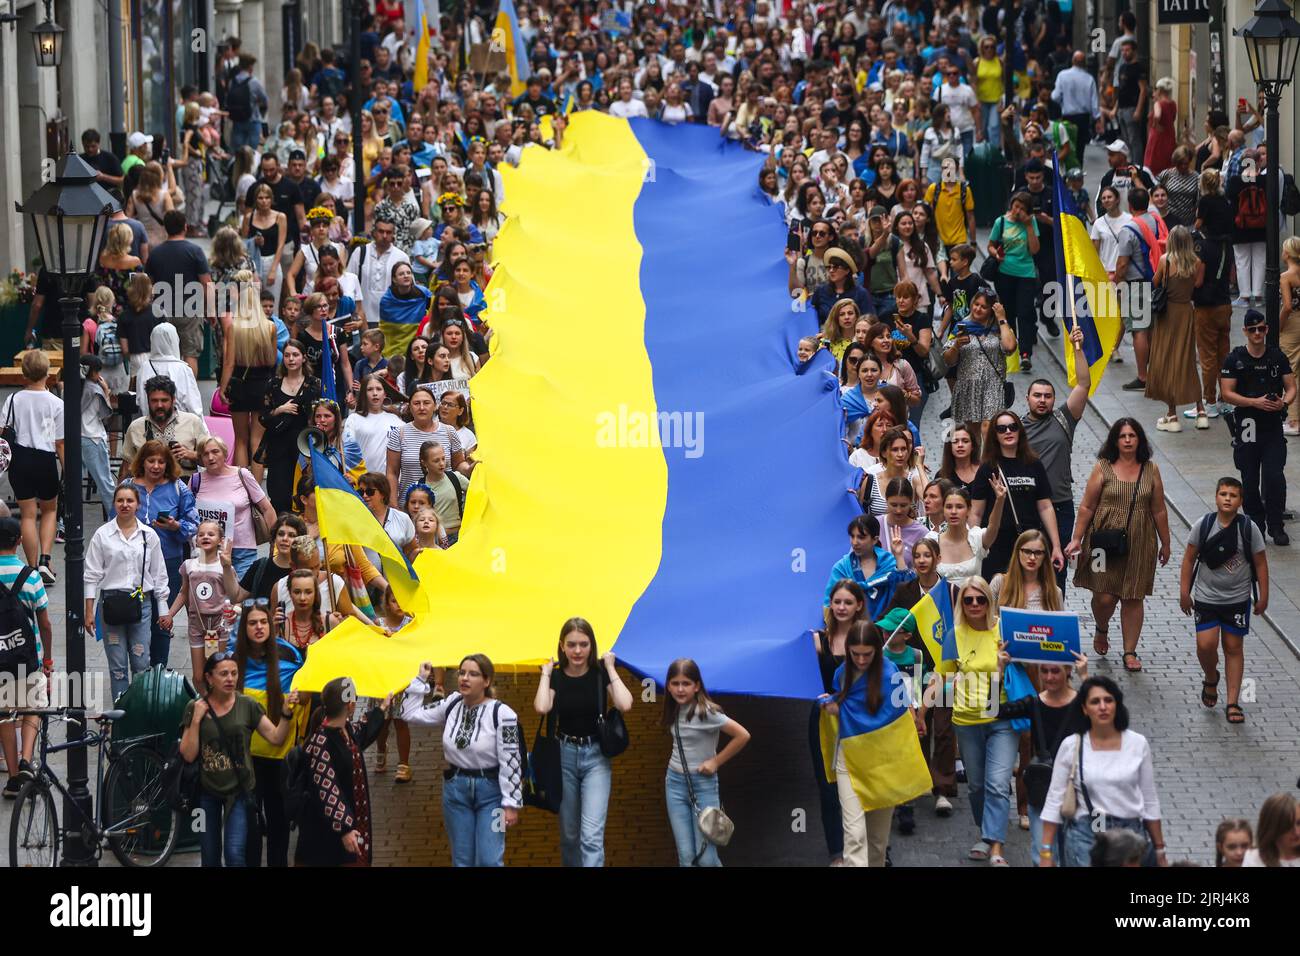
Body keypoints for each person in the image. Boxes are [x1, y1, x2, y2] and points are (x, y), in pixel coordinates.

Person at [1066, 419, 1171, 672]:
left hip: (1140, 540)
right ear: (1115, 440)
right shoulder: (1103, 467)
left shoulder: (1151, 469)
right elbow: (1087, 506)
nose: (1127, 440)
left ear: (1139, 440)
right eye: (1122, 436)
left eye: (1132, 436)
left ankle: (1129, 651)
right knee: (1103, 596)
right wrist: (1076, 538)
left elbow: (1158, 509)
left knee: (1133, 596)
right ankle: (1102, 628)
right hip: (1103, 541)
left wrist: (1165, 543)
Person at [818, 620, 925, 867]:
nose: (862, 660)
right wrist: (832, 705)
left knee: (877, 842)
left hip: (882, 764)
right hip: (850, 760)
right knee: (854, 836)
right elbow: (845, 704)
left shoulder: (890, 675)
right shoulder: (842, 673)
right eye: (855, 654)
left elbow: (899, 720)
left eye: (868, 654)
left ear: (877, 650)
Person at [400, 655, 524, 867]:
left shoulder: (503, 714)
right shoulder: (451, 703)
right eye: (462, 673)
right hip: (456, 793)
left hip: (492, 795)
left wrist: (511, 803)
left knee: (490, 859)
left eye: (473, 674)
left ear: (486, 681)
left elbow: (511, 760)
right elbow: (409, 713)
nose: (465, 678)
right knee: (462, 860)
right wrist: (420, 679)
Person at [179, 652, 300, 867]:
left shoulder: (247, 705)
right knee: (209, 857)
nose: (230, 679)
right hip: (206, 794)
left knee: (235, 855)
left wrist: (286, 714)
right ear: (209, 678)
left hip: (240, 791)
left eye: (234, 673)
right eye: (223, 674)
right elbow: (188, 754)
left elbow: (275, 737)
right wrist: (196, 720)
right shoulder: (195, 707)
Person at [533, 617, 634, 867]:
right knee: (569, 836)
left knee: (591, 837)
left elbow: (625, 704)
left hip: (596, 758)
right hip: (564, 756)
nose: (578, 651)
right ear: (562, 646)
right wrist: (545, 675)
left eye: (584, 644)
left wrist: (611, 668)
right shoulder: (556, 677)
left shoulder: (600, 675)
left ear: (592, 646)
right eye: (572, 645)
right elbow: (541, 706)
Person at [1039, 676, 1167, 868]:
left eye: (1108, 700)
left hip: (1130, 836)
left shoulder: (1137, 744)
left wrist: (1159, 849)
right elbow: (1054, 799)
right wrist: (1046, 852)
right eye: (1095, 701)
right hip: (1087, 833)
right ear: (1084, 708)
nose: (1103, 706)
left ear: (1117, 704)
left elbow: (1149, 799)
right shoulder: (1072, 745)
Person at [937, 575, 1015, 866]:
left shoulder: (1002, 631)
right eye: (968, 599)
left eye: (980, 599)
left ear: (989, 601)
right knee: (977, 786)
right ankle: (985, 834)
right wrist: (923, 710)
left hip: (1000, 715)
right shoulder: (953, 635)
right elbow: (942, 677)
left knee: (997, 783)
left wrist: (1002, 666)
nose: (974, 604)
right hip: (967, 720)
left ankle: (996, 847)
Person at [1180, 477, 1269, 725]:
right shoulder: (1204, 525)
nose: (1228, 498)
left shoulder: (1249, 529)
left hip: (1238, 600)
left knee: (1233, 647)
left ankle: (1232, 702)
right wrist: (1184, 592)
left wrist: (1263, 595)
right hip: (1207, 598)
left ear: (1241, 501)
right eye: (1223, 494)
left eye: (1233, 495)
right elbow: (1189, 559)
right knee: (1205, 645)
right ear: (1216, 497)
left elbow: (1261, 563)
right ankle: (1211, 677)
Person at [661, 657, 751, 867]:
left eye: (686, 683)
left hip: (703, 785)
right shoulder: (673, 709)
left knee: (706, 858)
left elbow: (743, 735)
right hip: (674, 784)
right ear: (668, 685)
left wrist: (715, 762)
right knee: (686, 856)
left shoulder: (707, 713)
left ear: (697, 685)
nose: (680, 689)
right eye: (675, 683)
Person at [84, 484, 169, 701]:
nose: (125, 505)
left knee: (141, 661)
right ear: (114, 503)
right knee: (117, 664)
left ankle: (138, 714)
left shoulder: (148, 535)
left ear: (138, 505)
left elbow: (159, 574)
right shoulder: (102, 535)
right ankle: (120, 715)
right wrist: (89, 611)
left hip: (142, 603)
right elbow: (91, 574)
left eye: (129, 500)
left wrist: (163, 610)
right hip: (111, 604)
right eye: (120, 500)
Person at [296, 676, 391, 866]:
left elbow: (363, 730)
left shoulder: (346, 731)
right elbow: (327, 788)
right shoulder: (321, 742)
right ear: (350, 705)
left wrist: (381, 709)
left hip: (349, 830)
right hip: (326, 837)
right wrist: (345, 828)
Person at [1220, 309, 1296, 546]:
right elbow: (1227, 393)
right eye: (1252, 329)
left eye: (1261, 329)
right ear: (1245, 331)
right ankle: (1255, 525)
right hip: (1248, 425)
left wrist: (1283, 402)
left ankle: (1276, 525)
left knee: (1275, 476)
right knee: (1250, 479)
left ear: (1266, 330)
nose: (1257, 333)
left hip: (1272, 425)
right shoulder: (1235, 359)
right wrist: (1254, 402)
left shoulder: (1276, 357)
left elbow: (1291, 387)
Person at [1022, 327, 1090, 591]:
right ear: (1028, 398)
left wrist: (1078, 348)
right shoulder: (1013, 428)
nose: (1042, 400)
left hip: (1060, 505)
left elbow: (1083, 384)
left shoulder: (1064, 419)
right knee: (1026, 569)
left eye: (1047, 396)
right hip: (1027, 504)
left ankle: (1056, 620)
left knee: (1056, 569)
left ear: (1054, 400)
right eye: (1037, 396)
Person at [125, 440, 199, 665]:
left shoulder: (178, 488)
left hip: (168, 561)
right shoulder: (128, 486)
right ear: (142, 462)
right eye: (151, 461)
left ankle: (159, 670)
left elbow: (193, 523)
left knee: (162, 617)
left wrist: (176, 526)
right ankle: (139, 669)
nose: (156, 466)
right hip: (132, 563)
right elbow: (113, 520)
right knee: (135, 617)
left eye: (161, 461)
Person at [970, 410, 1064, 581]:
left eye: (1013, 427)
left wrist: (1056, 546)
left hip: (1029, 543)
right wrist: (972, 546)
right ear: (994, 435)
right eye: (1001, 429)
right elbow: (976, 512)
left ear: (1020, 431)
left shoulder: (1034, 464)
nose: (1008, 432)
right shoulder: (988, 468)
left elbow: (1045, 506)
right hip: (996, 544)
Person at [0, 510, 53, 797]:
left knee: (4, 716)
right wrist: (47, 658)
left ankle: (11, 777)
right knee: (33, 705)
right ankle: (26, 758)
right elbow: (44, 622)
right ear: (19, 541)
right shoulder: (30, 577)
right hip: (26, 655)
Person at [0, 350, 64, 584]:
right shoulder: (56, 403)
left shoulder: (13, 399)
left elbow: (2, 432)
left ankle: (31, 566)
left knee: (27, 514)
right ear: (48, 373)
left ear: (24, 373)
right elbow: (60, 442)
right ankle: (46, 562)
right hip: (45, 459)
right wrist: (67, 470)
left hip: (20, 459)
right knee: (49, 510)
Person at [218, 271, 279, 475]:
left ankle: (241, 486)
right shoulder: (270, 327)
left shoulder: (234, 327)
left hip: (240, 386)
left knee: (241, 439)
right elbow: (272, 361)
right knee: (258, 440)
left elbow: (229, 362)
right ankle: (257, 492)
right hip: (263, 385)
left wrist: (223, 388)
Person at [191, 435, 277, 578]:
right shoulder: (195, 480)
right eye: (205, 454)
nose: (211, 457)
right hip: (209, 551)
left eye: (215, 452)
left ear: (224, 453)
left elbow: (267, 508)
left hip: (242, 550)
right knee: (212, 597)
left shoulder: (241, 475)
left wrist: (274, 544)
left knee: (242, 596)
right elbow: (189, 514)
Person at [1147, 226, 1206, 431]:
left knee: (1167, 361)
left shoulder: (1166, 260)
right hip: (1186, 312)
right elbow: (1198, 285)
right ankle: (1201, 410)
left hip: (1168, 313)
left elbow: (1155, 282)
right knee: (1187, 360)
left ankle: (1172, 415)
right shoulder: (1196, 262)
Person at [144, 210, 212, 375]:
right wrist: (211, 311)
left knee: (164, 355)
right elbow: (207, 283)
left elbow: (148, 285)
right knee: (190, 354)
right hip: (190, 310)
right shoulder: (195, 251)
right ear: (185, 227)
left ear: (166, 228)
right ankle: (188, 393)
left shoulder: (155, 254)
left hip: (162, 311)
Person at [260, 340, 321, 514]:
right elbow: (263, 417)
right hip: (278, 445)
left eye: (295, 355)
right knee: (279, 495)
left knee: (304, 491)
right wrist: (279, 410)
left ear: (303, 358)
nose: (291, 359)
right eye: (287, 355)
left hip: (304, 446)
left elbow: (322, 413)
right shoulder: (273, 384)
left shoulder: (314, 383)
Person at [945, 292, 1018, 431]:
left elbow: (1010, 347)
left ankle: (987, 453)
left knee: (988, 428)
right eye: (976, 304)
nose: (978, 309)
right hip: (968, 386)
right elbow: (948, 360)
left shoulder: (999, 327)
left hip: (993, 386)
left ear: (992, 309)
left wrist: (1002, 318)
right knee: (973, 433)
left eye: (983, 307)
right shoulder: (962, 326)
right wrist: (956, 346)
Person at [386, 385, 465, 504]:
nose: (422, 407)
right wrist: (393, 505)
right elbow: (392, 472)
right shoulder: (398, 434)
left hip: (446, 505)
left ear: (435, 406)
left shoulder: (449, 432)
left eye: (426, 403)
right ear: (410, 407)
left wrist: (471, 468)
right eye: (416, 403)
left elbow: (458, 465)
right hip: (411, 507)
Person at [134, 322, 203, 417]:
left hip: (150, 423)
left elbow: (140, 400)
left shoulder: (144, 368)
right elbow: (193, 405)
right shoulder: (182, 369)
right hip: (180, 425)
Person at [1242, 793, 1300, 867]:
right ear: (1273, 827)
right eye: (1287, 826)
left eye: (1299, 823)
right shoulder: (1254, 859)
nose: (1296, 832)